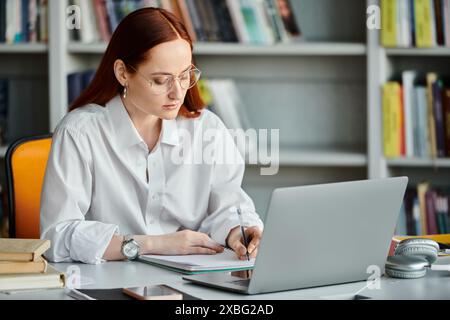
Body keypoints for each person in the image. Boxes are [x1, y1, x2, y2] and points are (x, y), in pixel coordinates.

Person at [40, 8, 264, 265]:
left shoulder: (206, 129)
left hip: (187, 281)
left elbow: (229, 205)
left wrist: (240, 231)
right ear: (123, 73)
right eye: (160, 80)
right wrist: (153, 245)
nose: (177, 93)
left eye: (184, 76)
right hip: (107, 284)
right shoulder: (80, 133)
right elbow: (57, 237)